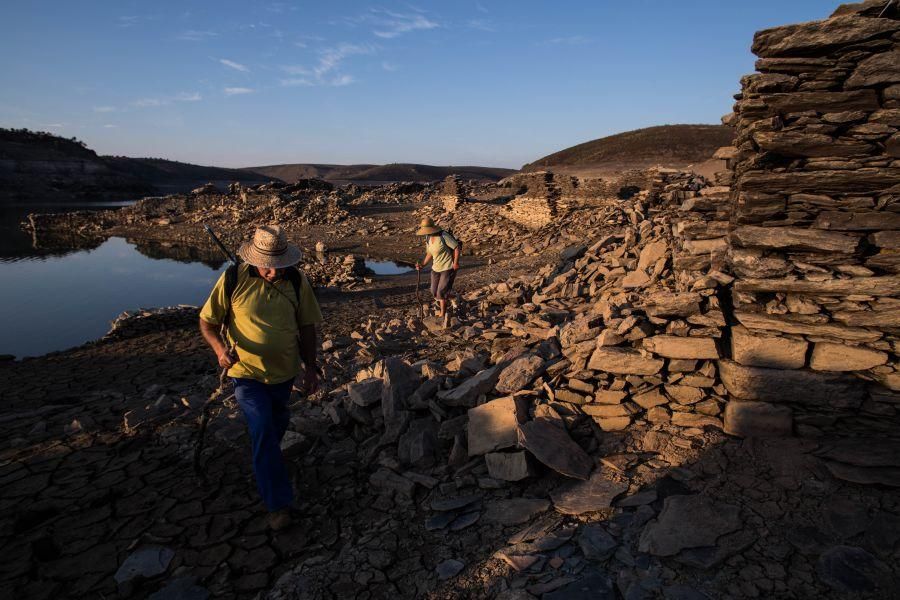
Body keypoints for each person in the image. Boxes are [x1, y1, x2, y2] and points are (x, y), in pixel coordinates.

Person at [199, 224, 322, 531]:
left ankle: (265, 462)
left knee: (275, 426)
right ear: (255, 260)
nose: (274, 273)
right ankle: (278, 504)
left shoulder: (296, 280)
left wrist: (310, 367)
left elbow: (307, 326)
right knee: (264, 428)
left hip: (284, 374)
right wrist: (219, 351)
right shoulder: (232, 279)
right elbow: (207, 322)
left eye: (279, 266)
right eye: (268, 267)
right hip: (247, 376)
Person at [415, 217, 461, 318]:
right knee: (434, 291)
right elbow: (429, 253)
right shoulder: (427, 238)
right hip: (436, 268)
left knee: (441, 291)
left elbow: (456, 248)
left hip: (447, 267)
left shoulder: (443, 236)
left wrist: (455, 263)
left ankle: (442, 314)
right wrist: (422, 265)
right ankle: (454, 297)